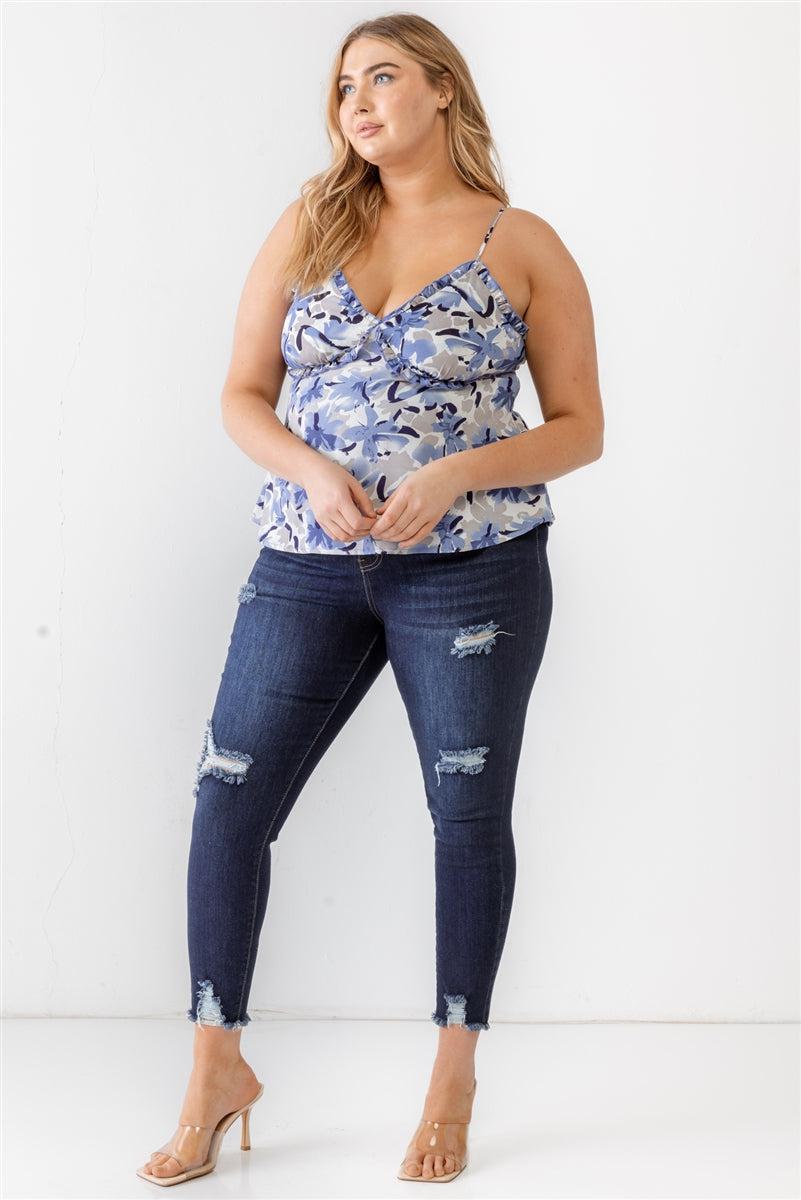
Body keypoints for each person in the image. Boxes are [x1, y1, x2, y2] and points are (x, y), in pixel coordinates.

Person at [137, 10, 604, 1187]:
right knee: (228, 799)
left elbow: (581, 430)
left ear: (443, 91)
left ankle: (454, 1071)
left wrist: (454, 470)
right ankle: (214, 1066)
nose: (356, 100)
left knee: (465, 817)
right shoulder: (307, 224)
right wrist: (306, 467)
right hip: (305, 560)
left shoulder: (521, 242)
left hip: (475, 571)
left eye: (382, 76)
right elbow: (244, 393)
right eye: (343, 84)